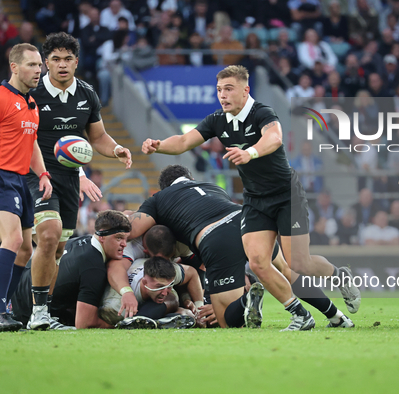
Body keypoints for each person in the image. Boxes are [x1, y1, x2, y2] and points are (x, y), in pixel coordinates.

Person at [142, 65, 361, 330]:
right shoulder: (217, 120)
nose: (222, 95)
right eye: (219, 90)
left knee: (298, 263)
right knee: (258, 263)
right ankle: (300, 316)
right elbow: (184, 141)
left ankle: (340, 276)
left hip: (285, 195)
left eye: (229, 89)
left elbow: (275, 137)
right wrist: (159, 146)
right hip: (255, 200)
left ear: (246, 91)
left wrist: (251, 153)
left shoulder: (262, 113)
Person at [123, 165, 355, 330]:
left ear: (164, 187)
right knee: (286, 269)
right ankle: (336, 316)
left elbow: (134, 229)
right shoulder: (212, 186)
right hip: (247, 220)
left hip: (216, 236)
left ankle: (248, 302)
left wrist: (128, 215)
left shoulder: (160, 198)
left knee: (223, 318)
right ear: (190, 178)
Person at [24, 32, 133, 331]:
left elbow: (97, 137)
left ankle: (44, 313)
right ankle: (36, 312)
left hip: (69, 179)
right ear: (46, 63)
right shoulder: (31, 94)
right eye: (56, 59)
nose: (62, 65)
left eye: (68, 59)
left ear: (76, 61)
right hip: (35, 176)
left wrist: (116, 150)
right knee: (48, 235)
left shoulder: (87, 94)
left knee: (57, 250)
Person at [0, 44, 52, 332]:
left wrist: (42, 173)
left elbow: (30, 143)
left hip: (21, 180)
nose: (39, 71)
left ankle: (4, 307)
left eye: (39, 66)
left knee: (24, 251)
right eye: (32, 65)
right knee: (13, 241)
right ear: (15, 67)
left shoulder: (31, 105)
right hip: (2, 176)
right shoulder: (2, 97)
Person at [11, 210, 131, 329]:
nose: (124, 244)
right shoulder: (94, 267)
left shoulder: (81, 241)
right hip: (27, 313)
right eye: (119, 238)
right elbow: (84, 323)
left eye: (126, 239)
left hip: (16, 294)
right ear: (102, 236)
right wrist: (117, 324)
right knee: (70, 320)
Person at [100, 224, 203, 329]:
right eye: (160, 286)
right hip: (123, 297)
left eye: (169, 286)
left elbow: (192, 273)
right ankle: (145, 318)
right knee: (183, 312)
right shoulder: (115, 305)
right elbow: (113, 268)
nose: (164, 292)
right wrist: (126, 292)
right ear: (144, 282)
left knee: (173, 298)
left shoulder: (165, 269)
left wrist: (199, 311)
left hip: (149, 293)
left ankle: (151, 319)